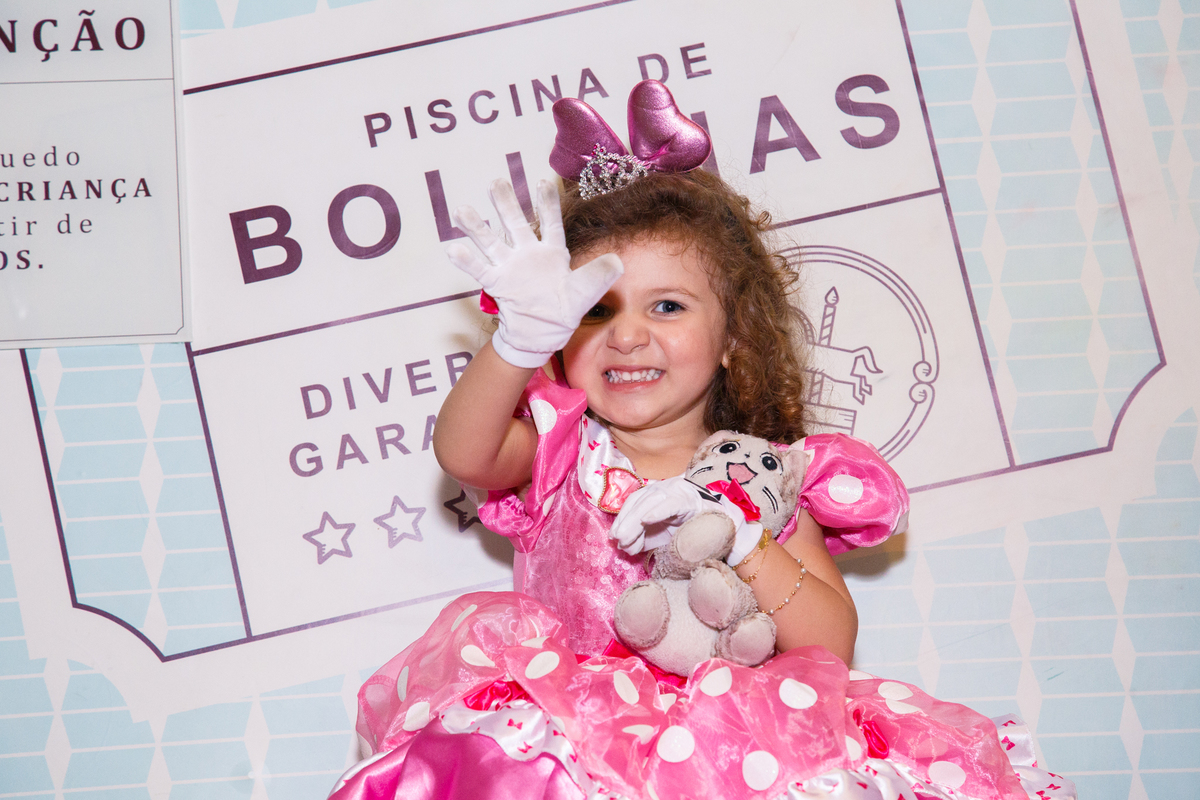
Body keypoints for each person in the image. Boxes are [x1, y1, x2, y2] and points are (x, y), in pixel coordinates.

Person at [329, 82, 1074, 800]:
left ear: (732, 339)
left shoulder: (765, 480)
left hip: (735, 754)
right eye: (595, 312)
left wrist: (743, 537)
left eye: (667, 306)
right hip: (572, 751)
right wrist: (515, 346)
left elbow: (830, 643)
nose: (627, 335)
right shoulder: (561, 453)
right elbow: (465, 454)